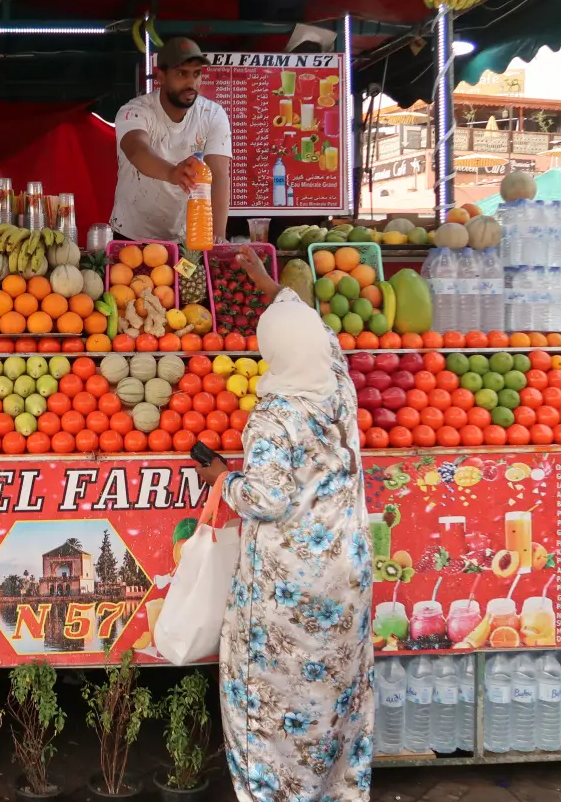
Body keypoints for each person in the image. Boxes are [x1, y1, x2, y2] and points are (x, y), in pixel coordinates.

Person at [196, 246, 374, 802]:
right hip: (346, 573)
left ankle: (276, 794)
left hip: (290, 588)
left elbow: (266, 499)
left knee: (271, 698)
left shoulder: (274, 417)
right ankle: (335, 791)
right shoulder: (339, 390)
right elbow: (310, 324)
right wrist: (262, 279)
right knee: (334, 695)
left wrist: (223, 478)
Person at [110, 37, 231, 243]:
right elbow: (137, 150)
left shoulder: (213, 114)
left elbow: (219, 176)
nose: (191, 83)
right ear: (161, 76)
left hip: (187, 239)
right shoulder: (134, 111)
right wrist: (172, 172)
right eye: (181, 73)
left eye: (197, 74)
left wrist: (218, 237)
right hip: (132, 235)